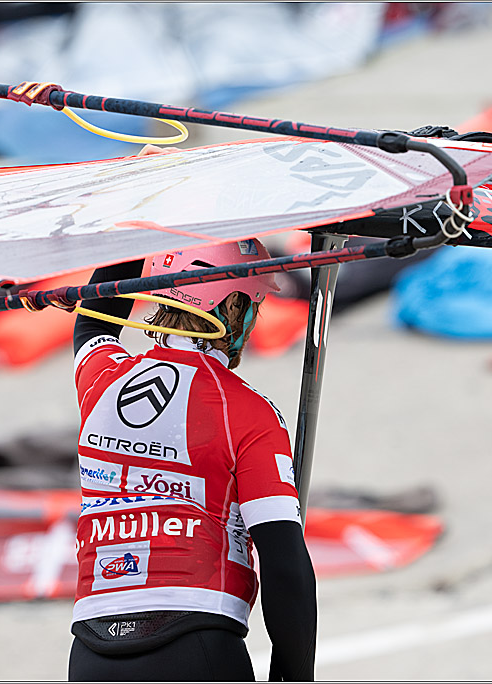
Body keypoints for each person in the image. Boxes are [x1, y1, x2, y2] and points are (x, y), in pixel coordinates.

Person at [67, 228, 318, 681]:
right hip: (198, 643)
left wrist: (140, 221)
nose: (256, 319)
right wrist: (293, 674)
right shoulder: (249, 413)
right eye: (253, 304)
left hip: (91, 652)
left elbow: (93, 320)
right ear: (232, 306)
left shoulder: (101, 380)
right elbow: (285, 565)